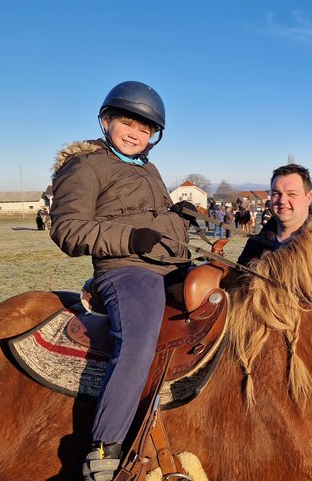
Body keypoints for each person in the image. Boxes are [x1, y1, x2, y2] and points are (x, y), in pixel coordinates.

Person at [49, 81, 191, 481]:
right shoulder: (84, 166)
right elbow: (68, 228)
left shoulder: (149, 167)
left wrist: (177, 218)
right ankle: (105, 446)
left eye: (146, 129)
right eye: (129, 123)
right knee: (140, 336)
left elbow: (149, 214)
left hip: (170, 264)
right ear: (107, 120)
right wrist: (129, 238)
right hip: (126, 270)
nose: (136, 134)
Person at [237, 164, 312, 266]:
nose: (282, 201)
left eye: (291, 194)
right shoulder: (255, 245)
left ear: (308, 197)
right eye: (276, 194)